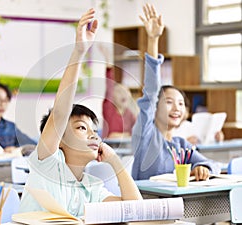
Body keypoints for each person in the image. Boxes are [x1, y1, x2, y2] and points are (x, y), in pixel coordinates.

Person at [19, 8, 142, 216]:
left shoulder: (92, 187)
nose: (93, 135)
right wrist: (79, 52)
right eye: (81, 128)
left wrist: (115, 161)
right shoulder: (47, 165)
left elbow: (136, 210)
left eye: (93, 130)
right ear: (60, 140)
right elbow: (60, 114)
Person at [131, 4, 221, 181]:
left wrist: (202, 167)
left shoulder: (181, 146)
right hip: (147, 205)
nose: (177, 108)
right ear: (155, 107)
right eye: (169, 101)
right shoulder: (146, 135)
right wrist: (153, 40)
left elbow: (214, 165)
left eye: (181, 103)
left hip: (174, 205)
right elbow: (150, 90)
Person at [99, 44, 137, 139]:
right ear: (113, 97)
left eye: (126, 91)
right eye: (119, 91)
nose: (123, 93)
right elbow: (110, 87)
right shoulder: (109, 109)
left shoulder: (130, 114)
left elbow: (137, 134)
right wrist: (108, 63)